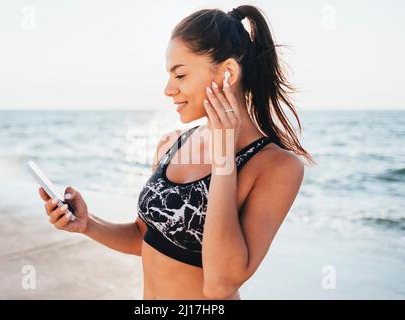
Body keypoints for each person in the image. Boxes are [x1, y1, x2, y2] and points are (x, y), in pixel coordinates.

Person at [38, 5, 315, 300]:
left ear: (228, 72)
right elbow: (146, 237)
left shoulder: (276, 167)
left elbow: (220, 284)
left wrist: (224, 162)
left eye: (180, 75)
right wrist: (88, 225)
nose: (168, 89)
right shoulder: (172, 144)